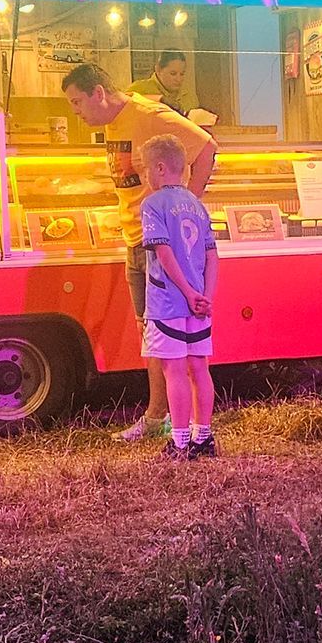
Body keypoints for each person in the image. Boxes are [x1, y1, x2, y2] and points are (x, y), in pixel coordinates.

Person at [61, 62, 217, 441]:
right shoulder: (113, 125)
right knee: (150, 331)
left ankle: (161, 419)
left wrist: (183, 202)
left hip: (159, 245)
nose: (77, 113)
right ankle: (161, 417)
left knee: (162, 333)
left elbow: (207, 148)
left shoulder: (148, 114)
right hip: (136, 240)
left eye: (78, 102)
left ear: (99, 92)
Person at [137, 133, 218, 458]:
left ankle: (181, 442)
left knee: (174, 370)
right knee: (200, 368)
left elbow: (164, 252)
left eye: (145, 170)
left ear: (159, 168)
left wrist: (185, 291)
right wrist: (204, 296)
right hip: (199, 303)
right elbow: (213, 256)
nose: (144, 177)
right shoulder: (197, 205)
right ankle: (204, 437)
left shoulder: (153, 204)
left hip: (168, 301)